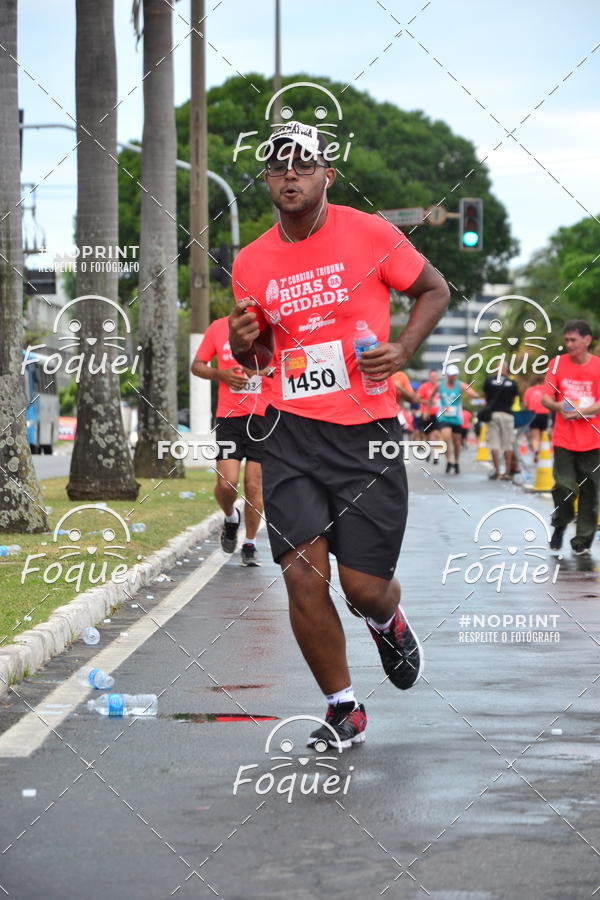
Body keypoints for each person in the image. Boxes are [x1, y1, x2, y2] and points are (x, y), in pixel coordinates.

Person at [229, 120, 450, 749]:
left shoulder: (371, 233)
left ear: (327, 173)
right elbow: (259, 359)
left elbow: (433, 289)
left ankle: (387, 620)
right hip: (290, 432)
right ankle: (342, 706)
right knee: (302, 573)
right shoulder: (251, 261)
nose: (290, 175)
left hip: (368, 433)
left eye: (303, 165)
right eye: (277, 167)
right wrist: (246, 348)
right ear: (267, 180)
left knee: (361, 588)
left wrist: (405, 346)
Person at [191, 314, 269, 566]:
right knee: (227, 484)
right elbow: (197, 365)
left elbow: (288, 364)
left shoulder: (271, 327)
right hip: (230, 418)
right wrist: (221, 375)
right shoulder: (218, 327)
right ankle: (230, 516)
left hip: (264, 418)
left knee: (254, 486)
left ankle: (249, 543)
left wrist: (264, 370)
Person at [542, 320, 600, 555]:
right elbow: (545, 398)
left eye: (573, 340)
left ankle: (582, 540)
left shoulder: (598, 366)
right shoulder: (557, 364)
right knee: (564, 487)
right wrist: (558, 406)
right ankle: (560, 522)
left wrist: (581, 412)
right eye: (566, 340)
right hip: (564, 438)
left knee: (590, 491)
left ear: (587, 340)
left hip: (593, 440)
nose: (569, 344)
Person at [431, 364, 479, 474]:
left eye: (455, 375)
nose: (453, 377)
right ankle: (449, 461)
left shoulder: (460, 385)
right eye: (451, 375)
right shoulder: (440, 385)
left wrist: (475, 395)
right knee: (446, 437)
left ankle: (456, 462)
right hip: (444, 417)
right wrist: (427, 408)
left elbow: (470, 391)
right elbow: (431, 396)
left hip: (456, 418)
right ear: (447, 375)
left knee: (457, 442)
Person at [483, 363, 519, 480]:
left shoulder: (489, 381)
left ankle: (497, 471)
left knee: (494, 443)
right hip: (507, 414)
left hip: (493, 414)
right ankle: (507, 472)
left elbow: (486, 398)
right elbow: (513, 400)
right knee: (507, 444)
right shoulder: (512, 383)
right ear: (507, 370)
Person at [523, 374, 550, 462]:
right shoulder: (547, 390)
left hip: (533, 414)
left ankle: (535, 452)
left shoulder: (529, 390)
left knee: (535, 437)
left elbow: (525, 404)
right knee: (543, 436)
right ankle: (543, 453)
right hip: (544, 414)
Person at [416, 370, 441, 459]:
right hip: (426, 414)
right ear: (429, 377)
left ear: (437, 377)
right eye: (432, 376)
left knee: (437, 434)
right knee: (428, 436)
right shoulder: (424, 387)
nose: (434, 378)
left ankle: (436, 455)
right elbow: (417, 399)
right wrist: (428, 402)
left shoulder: (440, 386)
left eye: (435, 376)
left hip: (438, 414)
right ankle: (428, 451)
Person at [392, 370, 419, 440]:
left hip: (395, 416)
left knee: (414, 430)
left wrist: (400, 387)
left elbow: (413, 399)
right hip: (374, 418)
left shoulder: (400, 375)